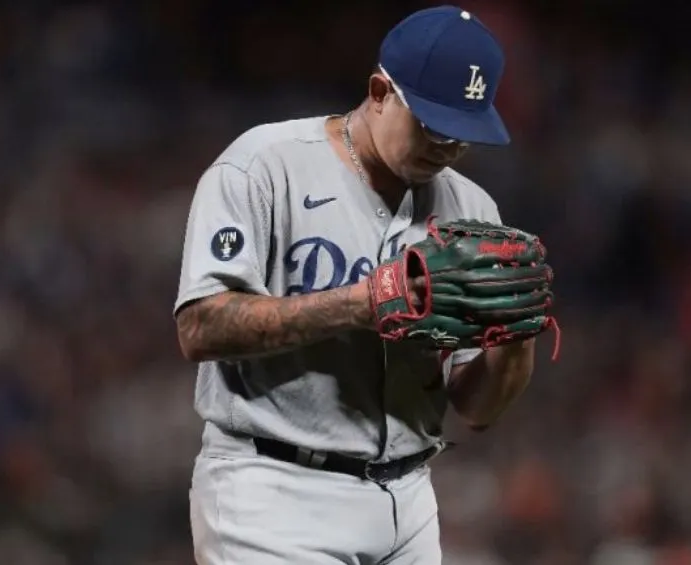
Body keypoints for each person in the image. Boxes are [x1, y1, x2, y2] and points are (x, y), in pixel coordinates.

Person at [174, 5, 540, 564]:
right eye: (433, 127)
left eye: (462, 137)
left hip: (409, 498)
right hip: (273, 489)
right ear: (378, 91)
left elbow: (477, 409)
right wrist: (364, 302)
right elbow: (200, 327)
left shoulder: (473, 210)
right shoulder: (263, 167)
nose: (446, 150)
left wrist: (515, 341)